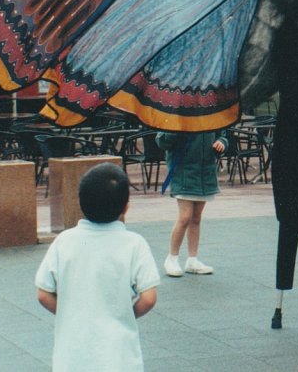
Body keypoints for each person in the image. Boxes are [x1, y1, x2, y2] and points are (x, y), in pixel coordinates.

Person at [35, 163, 159, 372]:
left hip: (72, 353)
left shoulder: (64, 241)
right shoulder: (134, 243)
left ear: (80, 202)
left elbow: (43, 293)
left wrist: (70, 313)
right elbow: (148, 298)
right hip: (119, 354)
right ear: (125, 206)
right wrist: (123, 314)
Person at [156, 130, 227, 277]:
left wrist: (222, 142)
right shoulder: (177, 114)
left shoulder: (211, 113)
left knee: (196, 218)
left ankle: (192, 259)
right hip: (183, 172)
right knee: (185, 217)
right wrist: (175, 132)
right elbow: (162, 141)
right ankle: (172, 258)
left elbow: (223, 132)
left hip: (204, 172)